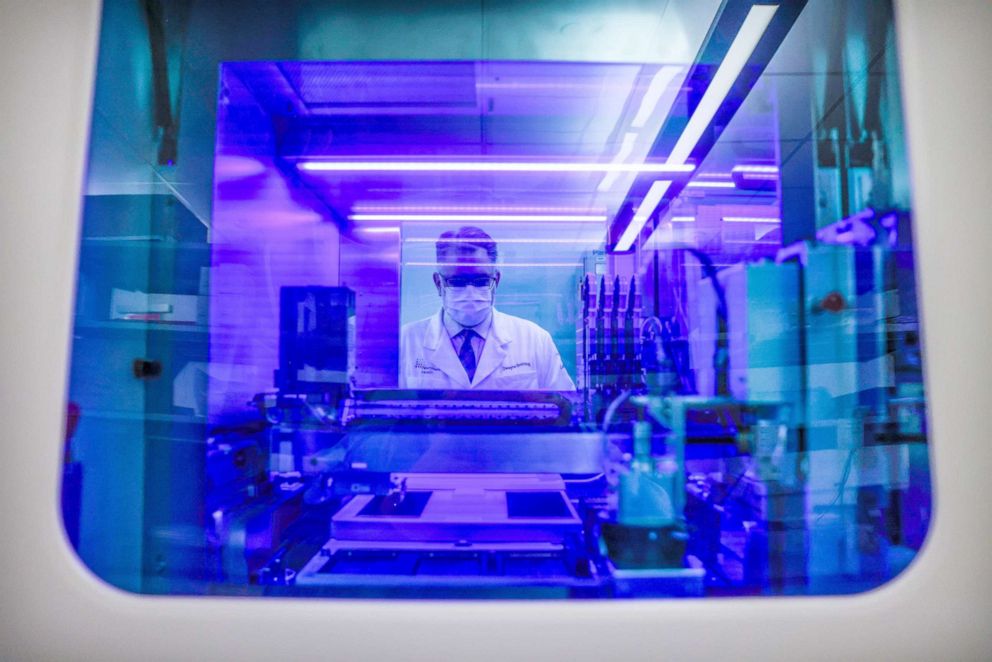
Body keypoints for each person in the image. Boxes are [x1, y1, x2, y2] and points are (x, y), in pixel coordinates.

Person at [399, 226, 576, 391]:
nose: (470, 292)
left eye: (481, 281)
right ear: (439, 283)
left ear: (496, 280)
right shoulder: (405, 341)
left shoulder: (535, 339)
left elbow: (566, 410)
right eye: (457, 282)